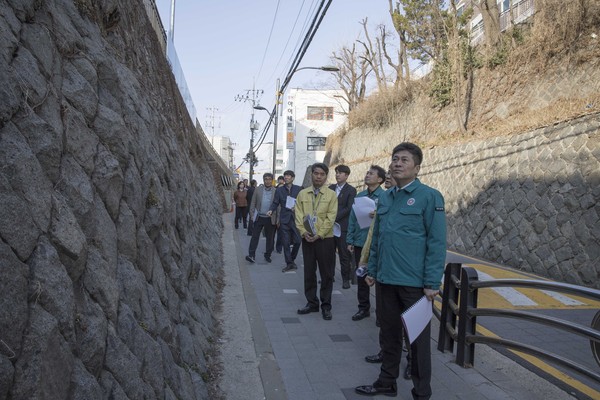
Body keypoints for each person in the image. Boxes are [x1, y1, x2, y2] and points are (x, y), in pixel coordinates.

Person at [355, 143, 446, 399]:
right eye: (395, 159)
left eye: (404, 160)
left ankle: (421, 392)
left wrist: (431, 282)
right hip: (385, 280)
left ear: (417, 167)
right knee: (388, 335)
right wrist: (372, 269)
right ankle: (387, 382)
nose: (397, 163)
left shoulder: (430, 197)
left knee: (417, 342)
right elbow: (378, 238)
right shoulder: (385, 197)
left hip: (414, 285)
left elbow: (436, 243)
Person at [294, 163, 338, 321]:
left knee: (326, 274)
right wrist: (304, 232)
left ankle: (326, 306)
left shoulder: (331, 195)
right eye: (316, 173)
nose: (318, 176)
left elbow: (331, 217)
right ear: (311, 175)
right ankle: (312, 303)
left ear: (326, 177)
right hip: (307, 239)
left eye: (322, 174)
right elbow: (298, 215)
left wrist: (318, 234)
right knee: (309, 272)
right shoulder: (303, 194)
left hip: (325, 239)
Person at [346, 165, 386, 320]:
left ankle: (382, 314)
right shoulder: (360, 196)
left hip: (377, 244)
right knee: (362, 277)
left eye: (371, 173)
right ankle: (363, 308)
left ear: (380, 179)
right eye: (367, 173)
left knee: (380, 279)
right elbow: (352, 219)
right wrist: (350, 239)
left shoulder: (385, 196)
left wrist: (378, 214)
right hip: (360, 242)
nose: (367, 175)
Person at [267, 170, 302, 272]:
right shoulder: (279, 190)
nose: (286, 177)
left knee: (298, 241)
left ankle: (292, 259)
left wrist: (298, 208)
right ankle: (289, 263)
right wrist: (271, 210)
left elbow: (303, 202)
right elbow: (275, 202)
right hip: (284, 219)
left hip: (296, 219)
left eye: (288, 176)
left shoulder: (298, 189)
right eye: (285, 176)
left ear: (293, 178)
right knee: (285, 242)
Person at [328, 165, 356, 289]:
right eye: (336, 173)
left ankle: (345, 279)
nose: (338, 175)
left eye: (340, 173)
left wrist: (334, 218)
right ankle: (329, 276)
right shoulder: (331, 188)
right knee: (329, 254)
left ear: (346, 175)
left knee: (344, 255)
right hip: (329, 227)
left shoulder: (351, 190)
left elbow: (348, 208)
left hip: (342, 227)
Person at [245, 174, 277, 263]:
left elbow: (278, 206)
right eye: (266, 179)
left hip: (270, 218)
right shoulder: (257, 190)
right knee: (254, 237)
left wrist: (278, 220)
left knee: (270, 239)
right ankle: (251, 255)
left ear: (272, 180)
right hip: (258, 217)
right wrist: (251, 214)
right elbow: (253, 202)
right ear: (263, 180)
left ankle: (267, 255)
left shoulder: (276, 191)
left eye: (269, 179)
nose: (267, 181)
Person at [274, 175, 286, 253]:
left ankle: (279, 248)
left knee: (280, 234)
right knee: (271, 234)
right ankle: (270, 246)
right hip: (273, 215)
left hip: (282, 216)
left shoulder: (287, 192)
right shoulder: (275, 191)